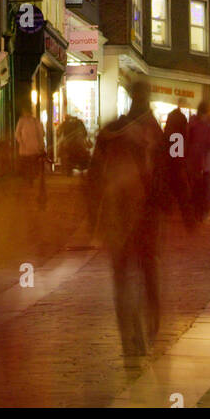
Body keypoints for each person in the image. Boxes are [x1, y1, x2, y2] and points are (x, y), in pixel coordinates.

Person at [87, 79, 166, 360]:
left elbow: (94, 175)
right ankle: (149, 328)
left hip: (118, 216)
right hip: (142, 215)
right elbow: (165, 175)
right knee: (147, 271)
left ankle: (131, 337)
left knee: (123, 276)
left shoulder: (112, 130)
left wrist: (92, 218)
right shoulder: (154, 131)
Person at [186, 100, 210, 222]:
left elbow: (187, 139)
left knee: (198, 186)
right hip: (204, 160)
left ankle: (198, 211)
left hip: (196, 159)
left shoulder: (194, 122)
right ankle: (202, 211)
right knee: (205, 187)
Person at [162, 104, 193, 226]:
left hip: (168, 165)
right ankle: (188, 218)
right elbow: (177, 153)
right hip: (176, 165)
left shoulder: (169, 132)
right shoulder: (178, 135)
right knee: (181, 190)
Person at [15, 103, 47, 206]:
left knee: (32, 165)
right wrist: (21, 141)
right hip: (25, 149)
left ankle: (31, 179)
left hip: (34, 149)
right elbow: (17, 134)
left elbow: (41, 133)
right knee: (27, 165)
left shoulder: (35, 121)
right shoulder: (22, 121)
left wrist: (41, 146)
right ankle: (28, 179)